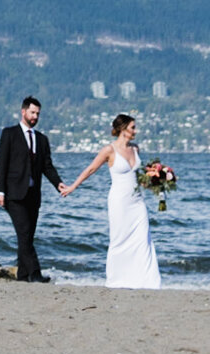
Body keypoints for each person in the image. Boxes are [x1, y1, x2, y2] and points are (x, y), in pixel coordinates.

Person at [65, 112, 160, 289]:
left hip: (138, 202)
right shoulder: (109, 150)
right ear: (123, 129)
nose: (135, 131)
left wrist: (157, 183)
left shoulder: (135, 149)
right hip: (119, 201)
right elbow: (91, 169)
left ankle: (147, 280)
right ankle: (117, 280)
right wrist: (72, 186)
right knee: (119, 239)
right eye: (132, 127)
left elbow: (139, 177)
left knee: (142, 239)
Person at [0, 96, 68, 282]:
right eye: (32, 113)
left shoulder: (42, 139)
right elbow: (2, 164)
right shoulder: (9, 134)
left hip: (34, 196)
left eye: (38, 114)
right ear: (23, 111)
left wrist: (58, 183)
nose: (35, 117)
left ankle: (23, 276)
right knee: (24, 234)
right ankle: (36, 274)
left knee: (27, 237)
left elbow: (47, 167)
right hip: (14, 195)